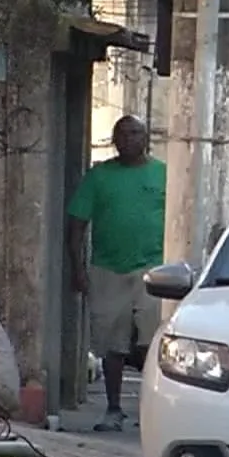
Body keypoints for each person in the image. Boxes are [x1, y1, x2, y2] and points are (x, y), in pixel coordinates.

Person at [67, 115, 167, 432]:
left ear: (146, 137)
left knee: (152, 342)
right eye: (122, 134)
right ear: (114, 140)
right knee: (112, 345)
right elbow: (77, 225)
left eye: (135, 133)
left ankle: (155, 408)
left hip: (154, 269)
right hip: (108, 268)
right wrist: (78, 269)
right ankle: (113, 409)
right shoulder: (99, 177)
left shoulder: (164, 173)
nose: (129, 140)